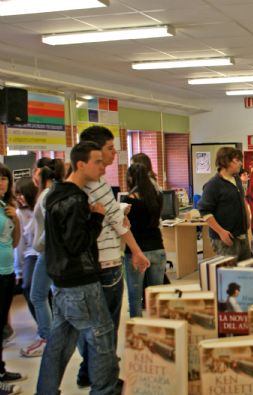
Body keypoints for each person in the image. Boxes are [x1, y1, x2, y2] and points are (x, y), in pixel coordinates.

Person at [36, 141, 119, 395]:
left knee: (58, 345)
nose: (103, 167)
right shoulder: (74, 199)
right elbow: (77, 244)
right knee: (102, 339)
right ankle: (105, 390)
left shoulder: (55, 194)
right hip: (81, 283)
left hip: (62, 284)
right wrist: (96, 216)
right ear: (80, 164)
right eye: (98, 162)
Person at [77, 126, 150, 388]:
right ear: (94, 151)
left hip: (90, 264)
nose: (115, 153)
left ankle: (88, 371)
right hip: (106, 264)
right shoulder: (97, 184)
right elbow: (118, 222)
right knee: (105, 329)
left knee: (91, 326)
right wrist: (138, 252)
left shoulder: (77, 184)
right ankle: (104, 380)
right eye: (110, 148)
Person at [21, 158, 65, 358]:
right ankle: (51, 335)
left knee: (37, 295)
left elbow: (54, 224)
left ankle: (46, 337)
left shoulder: (47, 194)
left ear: (39, 174)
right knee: (51, 294)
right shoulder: (52, 192)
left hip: (47, 252)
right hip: (49, 251)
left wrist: (40, 244)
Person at [123, 163, 166, 317]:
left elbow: (124, 227)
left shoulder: (129, 201)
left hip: (136, 251)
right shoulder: (157, 197)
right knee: (157, 295)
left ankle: (138, 332)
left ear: (131, 178)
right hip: (157, 248)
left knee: (135, 297)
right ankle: (157, 328)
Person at [198, 147, 251, 260]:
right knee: (230, 274)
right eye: (237, 160)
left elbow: (242, 199)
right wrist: (221, 232)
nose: (241, 163)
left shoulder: (236, 179)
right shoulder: (213, 185)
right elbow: (204, 211)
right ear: (226, 161)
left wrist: (247, 219)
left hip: (242, 234)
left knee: (246, 271)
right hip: (225, 239)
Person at [0, 163, 23, 395]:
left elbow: (15, 242)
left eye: (5, 178)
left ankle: (1, 369)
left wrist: (15, 219)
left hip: (7, 272)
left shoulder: (7, 208)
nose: (2, 182)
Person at [13, 178, 38, 327]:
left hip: (46, 253)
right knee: (28, 286)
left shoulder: (40, 208)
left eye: (22, 193)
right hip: (31, 254)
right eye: (17, 194)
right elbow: (20, 244)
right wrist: (19, 271)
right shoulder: (19, 213)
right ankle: (42, 326)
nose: (19, 197)